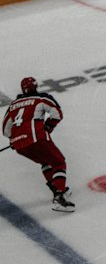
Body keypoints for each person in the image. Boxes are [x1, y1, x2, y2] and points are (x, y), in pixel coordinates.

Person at [2, 77, 74, 211]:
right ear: (35, 86)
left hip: (19, 145)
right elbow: (57, 114)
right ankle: (59, 196)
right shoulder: (41, 98)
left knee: (45, 162)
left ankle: (57, 190)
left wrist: (15, 139)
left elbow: (6, 130)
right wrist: (48, 126)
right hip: (37, 138)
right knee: (59, 162)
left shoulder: (13, 104)